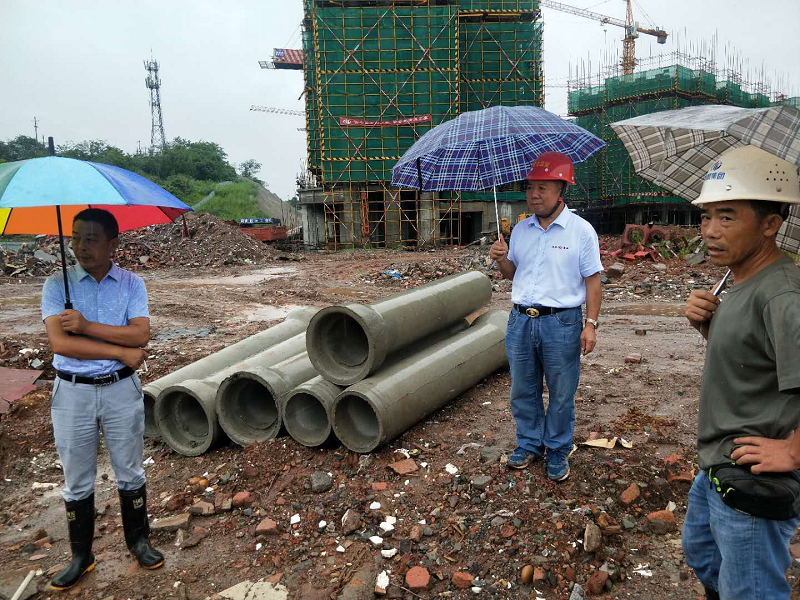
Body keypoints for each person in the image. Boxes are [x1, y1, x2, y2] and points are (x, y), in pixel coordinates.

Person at [681, 145, 800, 600]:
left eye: (727, 217)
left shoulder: (782, 296)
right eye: (707, 216)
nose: (710, 231)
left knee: (748, 590)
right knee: (703, 556)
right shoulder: (741, 281)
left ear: (770, 224)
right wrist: (709, 326)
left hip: (752, 474)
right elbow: (757, 361)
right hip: (717, 461)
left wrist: (792, 452)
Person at [41, 208, 164, 591]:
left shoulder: (131, 284)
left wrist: (87, 327)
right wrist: (119, 351)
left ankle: (138, 541)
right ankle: (81, 555)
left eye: (91, 239)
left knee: (130, 470)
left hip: (119, 390)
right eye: (76, 237)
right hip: (72, 392)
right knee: (76, 479)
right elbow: (61, 344)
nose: (81, 246)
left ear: (113, 243)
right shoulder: (55, 286)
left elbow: (140, 336)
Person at [489, 152, 602, 481]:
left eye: (542, 188)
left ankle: (557, 448)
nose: (534, 194)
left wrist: (590, 325)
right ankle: (529, 443)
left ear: (561, 190)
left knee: (562, 391)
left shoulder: (581, 231)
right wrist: (500, 259)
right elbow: (513, 274)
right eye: (530, 187)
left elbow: (593, 280)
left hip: (562, 323)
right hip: (520, 321)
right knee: (522, 389)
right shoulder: (522, 230)